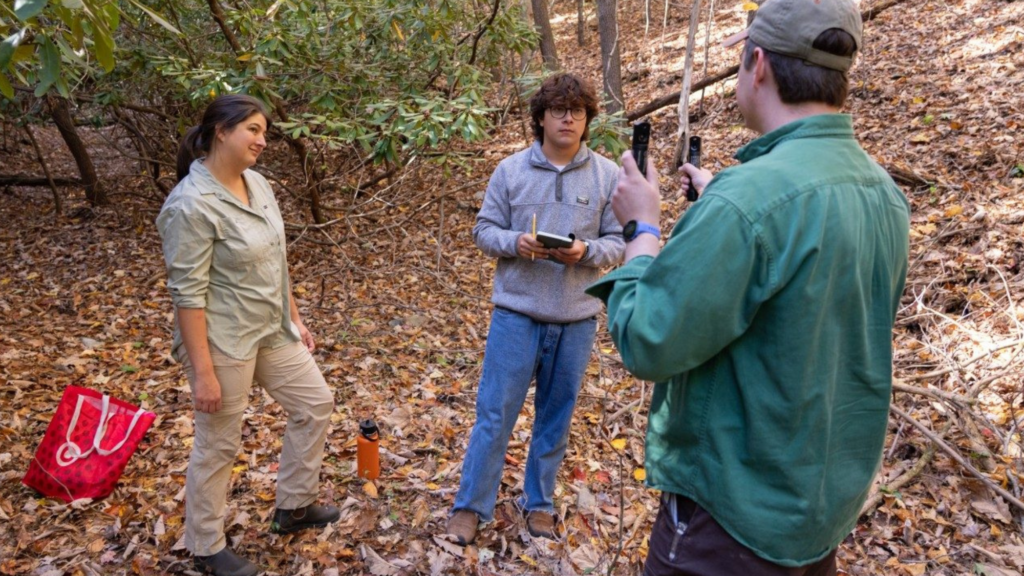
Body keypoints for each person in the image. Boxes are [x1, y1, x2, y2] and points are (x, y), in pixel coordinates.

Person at [585, 0, 911, 573]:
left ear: (757, 64)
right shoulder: (881, 191)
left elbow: (647, 339)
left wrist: (642, 228)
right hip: (816, 514)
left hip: (730, 517)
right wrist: (724, 207)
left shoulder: (749, 201)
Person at [157, 95, 339, 576]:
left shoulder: (256, 183)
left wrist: (294, 316)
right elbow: (187, 296)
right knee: (218, 444)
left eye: (264, 131)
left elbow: (275, 258)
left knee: (315, 404)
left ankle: (293, 507)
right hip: (223, 341)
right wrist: (203, 375)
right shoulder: (190, 205)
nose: (262, 140)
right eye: (252, 130)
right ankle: (205, 547)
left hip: (270, 328)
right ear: (221, 131)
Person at [446, 73, 626, 545]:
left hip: (576, 317)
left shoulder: (607, 175)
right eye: (559, 110)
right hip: (516, 313)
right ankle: (470, 506)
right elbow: (483, 231)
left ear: (587, 121)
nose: (568, 118)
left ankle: (539, 503)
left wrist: (584, 252)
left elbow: (619, 243)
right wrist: (517, 242)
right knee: (494, 412)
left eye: (578, 112)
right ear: (541, 117)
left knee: (556, 414)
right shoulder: (510, 170)